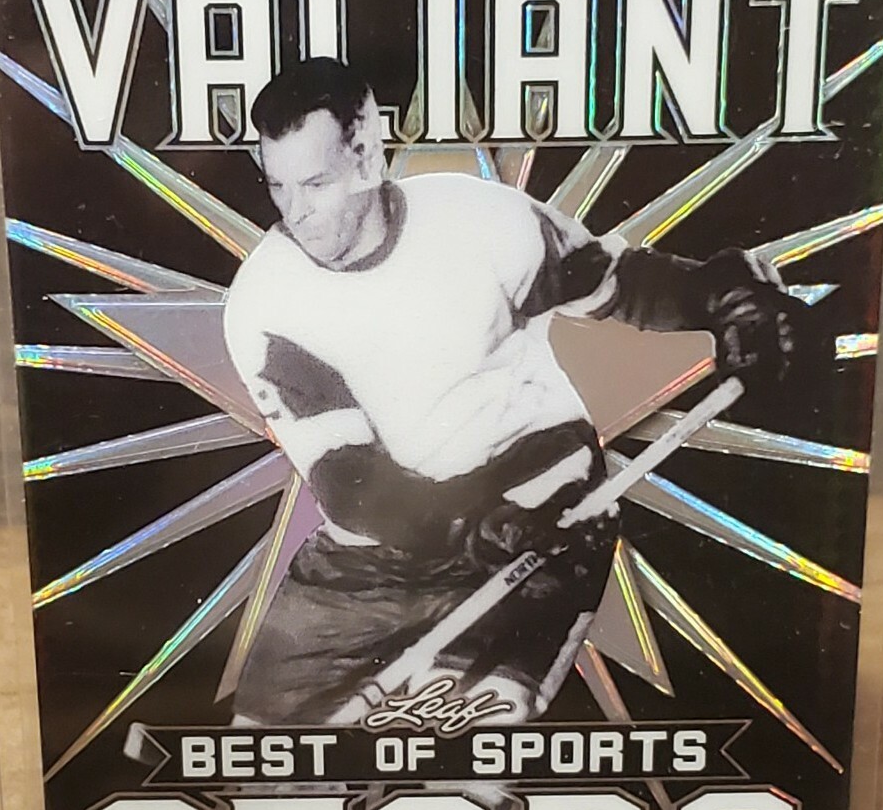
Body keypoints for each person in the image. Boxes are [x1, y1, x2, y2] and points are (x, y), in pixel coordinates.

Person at [223, 58, 799, 731]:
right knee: (259, 753)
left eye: (316, 184)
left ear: (369, 157)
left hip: (538, 505)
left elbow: (618, 283)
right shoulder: (266, 303)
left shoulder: (480, 220)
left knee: (462, 753)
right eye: (278, 186)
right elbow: (349, 480)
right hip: (384, 541)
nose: (296, 214)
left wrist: (726, 299)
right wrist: (475, 527)